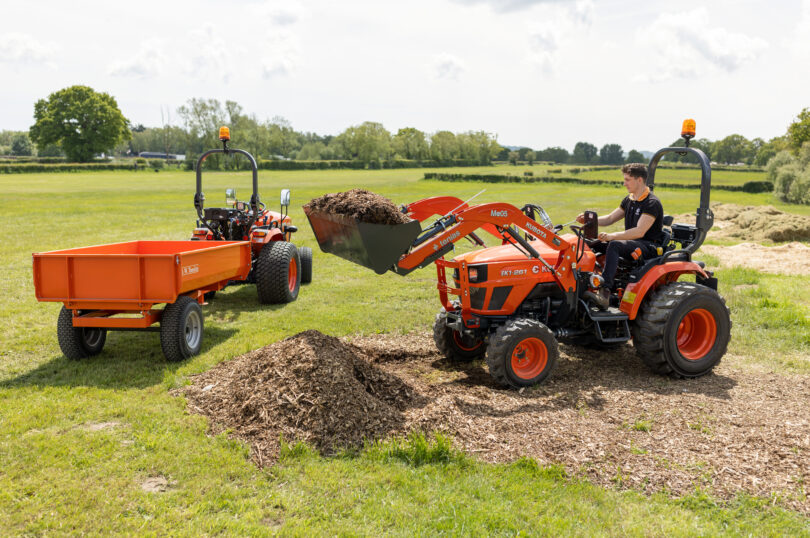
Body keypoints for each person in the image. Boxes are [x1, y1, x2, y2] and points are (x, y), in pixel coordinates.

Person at [577, 162, 664, 304]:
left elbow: (639, 232)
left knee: (615, 245)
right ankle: (584, 283)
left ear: (639, 180)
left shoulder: (651, 203)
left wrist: (612, 236)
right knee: (592, 243)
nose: (624, 183)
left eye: (627, 180)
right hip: (632, 242)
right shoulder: (629, 199)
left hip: (647, 246)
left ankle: (604, 292)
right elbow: (610, 218)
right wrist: (590, 221)